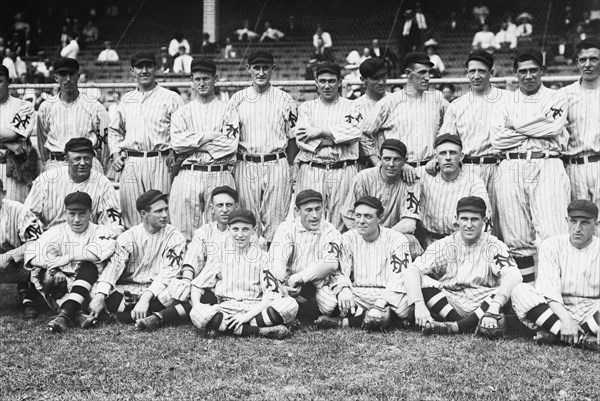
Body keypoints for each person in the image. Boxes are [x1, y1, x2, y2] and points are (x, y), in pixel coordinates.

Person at [364, 196, 523, 338]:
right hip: (451, 301)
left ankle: (458, 327)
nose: (468, 225)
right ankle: (466, 324)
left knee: (510, 288)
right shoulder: (446, 244)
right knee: (416, 277)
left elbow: (514, 275)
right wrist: (419, 305)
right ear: (456, 220)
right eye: (464, 219)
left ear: (484, 220)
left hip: (483, 301)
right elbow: (412, 270)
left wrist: (495, 305)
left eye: (474, 219)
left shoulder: (494, 245)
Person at [134, 186, 266, 331]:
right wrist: (186, 280)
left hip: (228, 288)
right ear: (211, 208)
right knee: (182, 290)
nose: (224, 210)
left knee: (202, 297)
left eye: (229, 205)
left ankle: (159, 318)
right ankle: (142, 312)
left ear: (236, 206)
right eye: (219, 205)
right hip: (203, 282)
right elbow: (191, 260)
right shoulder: (204, 231)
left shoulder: (246, 236)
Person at [491, 48, 570, 283]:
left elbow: (553, 128)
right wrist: (536, 126)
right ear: (515, 72)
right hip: (511, 166)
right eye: (523, 71)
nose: (528, 76)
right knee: (517, 236)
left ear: (542, 70)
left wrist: (514, 126)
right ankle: (528, 297)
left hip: (547, 164)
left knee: (553, 232)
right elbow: (497, 140)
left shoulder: (556, 97)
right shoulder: (505, 101)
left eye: (533, 70)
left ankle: (553, 293)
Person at [188, 209, 298, 339]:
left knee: (290, 305)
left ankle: (225, 328)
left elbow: (270, 296)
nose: (240, 234)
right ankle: (262, 330)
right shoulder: (220, 256)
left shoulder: (263, 257)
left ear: (254, 230)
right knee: (197, 313)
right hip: (227, 308)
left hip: (255, 307)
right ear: (228, 229)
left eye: (245, 229)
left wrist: (246, 317)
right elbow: (197, 285)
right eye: (235, 229)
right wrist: (196, 304)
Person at [435, 50, 509, 238]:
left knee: (502, 221)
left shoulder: (506, 99)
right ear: (466, 72)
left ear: (491, 72)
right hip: (468, 167)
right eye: (472, 71)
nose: (476, 76)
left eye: (482, 71)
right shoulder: (457, 105)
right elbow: (445, 139)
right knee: (470, 221)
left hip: (498, 166)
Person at [226, 51, 297, 243]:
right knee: (248, 218)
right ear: (248, 69)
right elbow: (229, 138)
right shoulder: (237, 99)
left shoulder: (285, 99)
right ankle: (251, 266)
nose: (261, 72)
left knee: (276, 221)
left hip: (276, 162)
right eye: (256, 68)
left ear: (272, 69)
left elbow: (293, 138)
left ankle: (273, 268)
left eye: (266, 68)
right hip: (246, 162)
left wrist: (290, 168)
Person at [511, 200, 599, 351]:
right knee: (520, 291)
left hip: (591, 310)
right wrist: (566, 319)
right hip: (557, 309)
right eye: (573, 221)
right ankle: (581, 339)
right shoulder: (551, 245)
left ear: (595, 224)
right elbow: (548, 291)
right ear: (567, 221)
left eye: (585, 223)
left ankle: (555, 335)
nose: (577, 228)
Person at [88, 190, 187, 325]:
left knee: (180, 289)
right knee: (96, 289)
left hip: (159, 290)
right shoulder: (129, 237)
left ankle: (124, 317)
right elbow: (113, 268)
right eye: (158, 211)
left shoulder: (175, 236)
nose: (165, 215)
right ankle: (148, 313)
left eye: (165, 210)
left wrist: (145, 298)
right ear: (143, 214)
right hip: (129, 289)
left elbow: (168, 274)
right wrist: (100, 296)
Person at [109, 52, 184, 228]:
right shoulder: (127, 99)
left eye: (148, 66)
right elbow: (114, 131)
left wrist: (176, 153)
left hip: (161, 160)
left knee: (162, 214)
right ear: (132, 71)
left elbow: (182, 132)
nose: (144, 71)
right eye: (139, 67)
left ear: (156, 68)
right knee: (131, 215)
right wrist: (114, 154)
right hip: (132, 160)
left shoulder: (171, 97)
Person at [25, 192, 117, 332]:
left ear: (90, 213)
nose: (77, 219)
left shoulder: (101, 231)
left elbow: (105, 250)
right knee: (44, 272)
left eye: (82, 214)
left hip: (89, 285)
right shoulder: (57, 231)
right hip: (62, 285)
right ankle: (77, 314)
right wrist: (54, 268)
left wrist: (68, 258)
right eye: (72, 214)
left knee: (88, 265)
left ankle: (67, 314)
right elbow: (31, 252)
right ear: (65, 213)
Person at [315, 196, 412, 329]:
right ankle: (384, 320)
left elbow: (400, 277)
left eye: (368, 216)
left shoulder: (397, 239)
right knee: (325, 299)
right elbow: (339, 271)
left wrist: (380, 304)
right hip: (357, 293)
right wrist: (343, 289)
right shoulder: (348, 238)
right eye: (358, 215)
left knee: (405, 305)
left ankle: (345, 322)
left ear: (379, 218)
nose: (361, 221)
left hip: (387, 294)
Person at [169, 59, 239, 240]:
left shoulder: (228, 110)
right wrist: (209, 136)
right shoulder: (182, 112)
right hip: (188, 174)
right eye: (197, 79)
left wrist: (191, 142)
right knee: (184, 232)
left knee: (220, 232)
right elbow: (177, 143)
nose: (202, 83)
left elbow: (230, 145)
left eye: (206, 79)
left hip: (219, 172)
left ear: (215, 79)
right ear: (192, 80)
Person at [295, 62, 364, 231]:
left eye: (332, 81)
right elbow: (302, 140)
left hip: (343, 169)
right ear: (316, 82)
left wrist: (319, 132)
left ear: (340, 82)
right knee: (311, 220)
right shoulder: (306, 108)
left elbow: (354, 133)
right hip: (313, 169)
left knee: (342, 222)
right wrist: (339, 138)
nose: (327, 86)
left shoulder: (352, 106)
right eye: (322, 81)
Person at [361, 52, 448, 181]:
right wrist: (378, 163)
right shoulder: (389, 102)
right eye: (422, 72)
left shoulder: (437, 99)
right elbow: (364, 134)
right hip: (398, 173)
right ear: (408, 73)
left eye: (429, 73)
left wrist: (437, 157)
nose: (428, 78)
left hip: (431, 171)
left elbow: (452, 126)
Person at [270, 190, 346, 321]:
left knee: (331, 305)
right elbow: (278, 261)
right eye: (308, 210)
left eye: (318, 209)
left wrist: (298, 277)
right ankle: (303, 310)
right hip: (289, 286)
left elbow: (331, 263)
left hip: (317, 286)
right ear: (297, 211)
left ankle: (305, 311)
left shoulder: (330, 231)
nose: (315, 215)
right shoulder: (287, 228)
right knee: (282, 304)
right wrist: (283, 283)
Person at [24, 138, 123, 237]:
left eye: (87, 158)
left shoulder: (103, 183)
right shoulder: (46, 180)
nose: (83, 163)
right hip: (51, 237)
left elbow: (113, 221)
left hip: (88, 239)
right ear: (67, 160)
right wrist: (37, 240)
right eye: (77, 159)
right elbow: (28, 215)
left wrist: (112, 235)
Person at [342, 139, 422, 257]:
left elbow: (409, 223)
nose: (391, 164)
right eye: (387, 159)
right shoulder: (362, 178)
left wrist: (383, 237)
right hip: (365, 235)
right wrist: (369, 236)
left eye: (397, 159)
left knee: (411, 242)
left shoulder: (411, 180)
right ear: (380, 159)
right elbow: (349, 216)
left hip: (395, 234)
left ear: (405, 161)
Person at [36, 58, 110, 173]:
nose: (68, 79)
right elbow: (42, 143)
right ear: (56, 77)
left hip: (85, 164)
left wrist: (100, 169)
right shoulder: (46, 107)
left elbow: (104, 147)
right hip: (57, 163)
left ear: (78, 76)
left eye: (71, 74)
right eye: (63, 74)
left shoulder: (95, 107)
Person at [419, 134, 490, 246]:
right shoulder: (423, 175)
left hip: (461, 244)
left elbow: (484, 223)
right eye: (443, 153)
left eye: (452, 153)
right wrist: (405, 167)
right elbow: (399, 170)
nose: (448, 157)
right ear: (436, 157)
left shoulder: (474, 183)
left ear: (461, 156)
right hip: (428, 242)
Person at [561, 39, 600, 217]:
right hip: (574, 166)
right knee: (580, 220)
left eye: (593, 59)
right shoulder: (564, 95)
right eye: (582, 60)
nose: (588, 64)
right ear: (577, 62)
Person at [0, 178, 43, 318]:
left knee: (42, 260)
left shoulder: (19, 210)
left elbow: (38, 242)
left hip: (19, 264)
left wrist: (9, 256)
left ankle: (28, 299)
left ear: (3, 193)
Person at [0, 65, 35, 203]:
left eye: (0, 81)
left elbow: (12, 134)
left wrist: (9, 140)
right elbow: (8, 137)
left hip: (14, 167)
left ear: (9, 81)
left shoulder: (23, 106)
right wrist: (9, 144)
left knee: (16, 213)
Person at [350, 58, 389, 167]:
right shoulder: (355, 106)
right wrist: (376, 162)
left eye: (383, 76)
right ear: (363, 79)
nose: (381, 82)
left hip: (395, 164)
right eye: (375, 78)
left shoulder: (397, 101)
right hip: (366, 166)